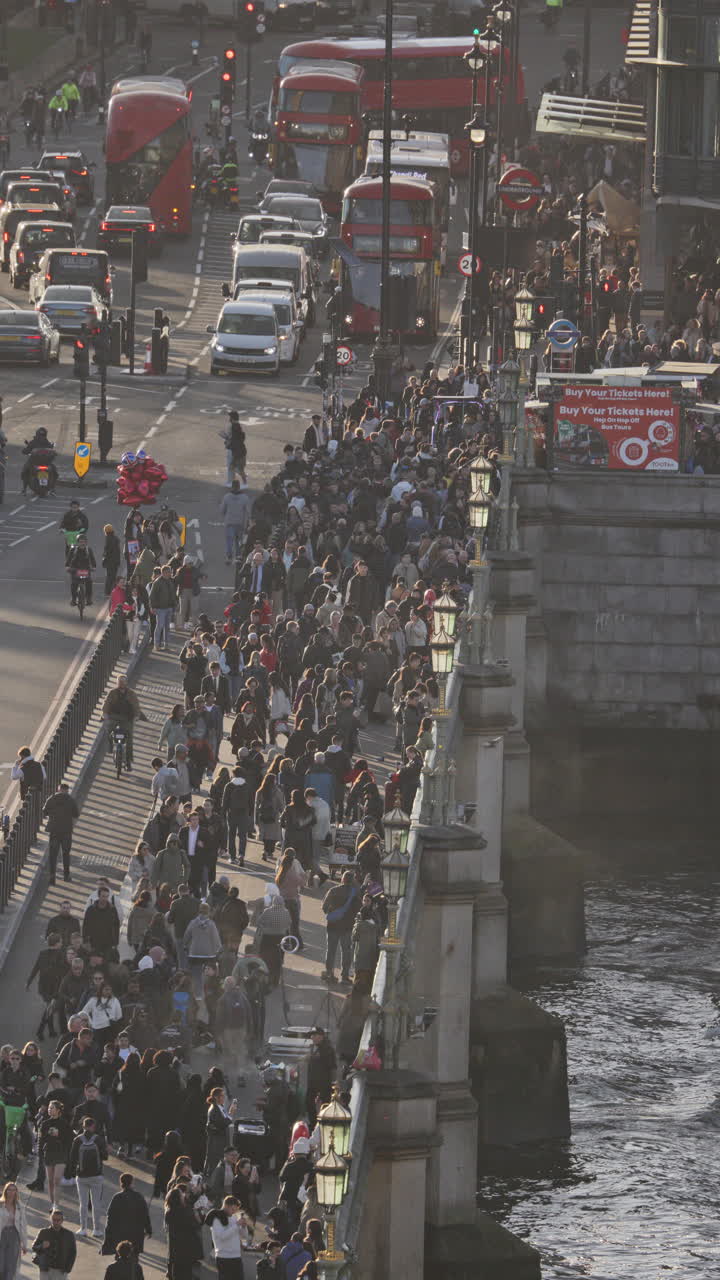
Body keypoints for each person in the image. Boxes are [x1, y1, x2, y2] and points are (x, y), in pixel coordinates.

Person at [67, 1115, 108, 1237]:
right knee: (96, 1204)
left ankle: (83, 1228)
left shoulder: (77, 1140)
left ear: (83, 1126)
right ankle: (96, 1230)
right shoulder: (99, 1140)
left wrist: (72, 1173)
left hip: (82, 1176)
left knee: (83, 1204)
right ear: (93, 1126)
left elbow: (72, 1159)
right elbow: (105, 1157)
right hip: (97, 1176)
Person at [100, 1173, 152, 1259]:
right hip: (135, 1235)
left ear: (121, 1183)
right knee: (134, 1260)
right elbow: (145, 1215)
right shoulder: (138, 1197)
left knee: (120, 1258)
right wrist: (148, 1229)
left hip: (120, 1236)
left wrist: (108, 1236)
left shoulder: (117, 1198)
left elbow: (110, 1218)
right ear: (132, 1183)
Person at [321, 871, 359, 984]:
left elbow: (324, 908)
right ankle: (345, 976)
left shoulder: (333, 890)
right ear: (352, 881)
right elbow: (358, 910)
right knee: (346, 951)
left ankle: (329, 973)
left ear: (342, 879)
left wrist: (333, 911)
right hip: (347, 926)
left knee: (331, 951)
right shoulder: (355, 893)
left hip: (333, 926)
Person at [102, 675, 148, 770]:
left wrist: (136, 716)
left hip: (127, 718)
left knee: (129, 739)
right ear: (117, 683)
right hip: (114, 717)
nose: (121, 684)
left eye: (123, 682)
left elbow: (136, 706)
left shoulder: (131, 694)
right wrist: (105, 714)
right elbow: (106, 704)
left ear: (126, 683)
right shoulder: (112, 693)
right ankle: (110, 747)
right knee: (108, 730)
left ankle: (128, 761)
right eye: (120, 682)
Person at [25, 932, 65, 1041]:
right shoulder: (60, 954)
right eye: (61, 941)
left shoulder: (42, 953)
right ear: (57, 943)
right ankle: (40, 1031)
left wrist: (29, 982)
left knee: (49, 1007)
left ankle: (51, 1031)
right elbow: (62, 972)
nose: (62, 943)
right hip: (54, 987)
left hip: (43, 987)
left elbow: (35, 968)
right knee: (50, 1008)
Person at [37, 1100, 72, 1210]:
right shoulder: (45, 1123)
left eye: (52, 1108)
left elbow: (69, 1139)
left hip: (61, 1154)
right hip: (49, 1153)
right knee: (50, 1181)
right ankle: (53, 1204)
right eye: (48, 1108)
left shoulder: (64, 1123)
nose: (49, 1109)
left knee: (57, 1179)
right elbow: (41, 1140)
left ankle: (56, 1205)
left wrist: (59, 1134)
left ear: (58, 1110)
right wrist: (40, 1152)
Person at [164, 1185, 204, 1280]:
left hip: (175, 1249)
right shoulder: (186, 1211)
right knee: (186, 1273)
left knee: (177, 1273)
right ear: (179, 1199)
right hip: (187, 1248)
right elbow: (196, 1225)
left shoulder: (169, 1212)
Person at [42, 783, 79, 885]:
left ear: (59, 789)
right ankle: (66, 876)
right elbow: (76, 814)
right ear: (67, 790)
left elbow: (44, 811)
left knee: (53, 855)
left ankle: (52, 877)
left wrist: (53, 815)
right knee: (66, 854)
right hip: (66, 831)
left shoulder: (52, 798)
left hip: (54, 830)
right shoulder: (70, 800)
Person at [205, 1196, 249, 1279]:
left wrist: (244, 1227)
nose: (234, 1212)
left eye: (236, 1210)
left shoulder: (235, 1217)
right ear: (226, 1206)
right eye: (232, 1209)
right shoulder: (216, 1218)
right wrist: (237, 1225)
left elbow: (244, 1236)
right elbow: (222, 1236)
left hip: (236, 1256)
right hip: (223, 1257)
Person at [31, 1208, 77, 1280]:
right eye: (53, 1220)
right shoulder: (43, 1232)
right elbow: (34, 1247)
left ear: (62, 1221)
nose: (55, 1222)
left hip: (61, 1271)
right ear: (50, 1219)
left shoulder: (69, 1235)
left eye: (58, 1220)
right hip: (45, 1269)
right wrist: (42, 1246)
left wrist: (68, 1269)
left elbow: (73, 1253)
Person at [305, 1028, 336, 1128]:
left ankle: (324, 1125)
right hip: (313, 1082)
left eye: (314, 1035)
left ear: (321, 1036)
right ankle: (314, 1124)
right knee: (309, 1102)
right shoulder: (315, 1047)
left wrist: (316, 1058)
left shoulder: (327, 1048)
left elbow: (332, 1065)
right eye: (311, 1035)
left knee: (325, 1104)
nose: (312, 1037)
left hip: (324, 1082)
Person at [221, 765, 251, 865]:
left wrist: (223, 815)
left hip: (231, 813)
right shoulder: (246, 785)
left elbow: (224, 802)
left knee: (231, 835)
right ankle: (241, 854)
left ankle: (232, 856)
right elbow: (251, 801)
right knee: (243, 835)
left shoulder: (229, 785)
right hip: (244, 813)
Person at [205, 1087, 237, 1177]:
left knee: (218, 1159)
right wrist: (231, 1114)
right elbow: (222, 1124)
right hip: (217, 1139)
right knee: (216, 1160)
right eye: (222, 1096)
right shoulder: (214, 1109)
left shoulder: (220, 1107)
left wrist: (230, 1113)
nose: (224, 1098)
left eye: (224, 1096)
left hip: (220, 1138)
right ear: (216, 1097)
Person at [0, 1181, 28, 1279]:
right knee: (1, 1263)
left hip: (14, 1235)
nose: (11, 1192)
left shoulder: (19, 1206)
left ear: (16, 1192)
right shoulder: (0, 1204)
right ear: (5, 1191)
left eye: (13, 1190)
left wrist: (24, 1244)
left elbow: (23, 1225)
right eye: (9, 1190)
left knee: (11, 1264)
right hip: (2, 1234)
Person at [220, 481, 251, 564]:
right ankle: (238, 556)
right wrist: (248, 522)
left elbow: (222, 510)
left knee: (229, 540)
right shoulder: (245, 497)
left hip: (229, 522)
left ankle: (229, 556)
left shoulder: (226, 497)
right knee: (238, 540)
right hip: (240, 523)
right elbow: (248, 512)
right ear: (239, 487)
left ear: (232, 487)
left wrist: (226, 515)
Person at [149, 565, 178, 650]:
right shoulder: (157, 582)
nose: (170, 573)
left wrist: (175, 604)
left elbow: (173, 594)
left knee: (167, 627)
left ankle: (166, 645)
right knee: (160, 626)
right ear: (164, 572)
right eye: (169, 572)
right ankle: (156, 645)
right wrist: (153, 607)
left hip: (169, 607)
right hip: (160, 608)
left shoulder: (170, 581)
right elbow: (152, 596)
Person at [66, 534, 96, 606]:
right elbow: (69, 559)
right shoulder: (73, 549)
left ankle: (88, 598)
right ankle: (73, 599)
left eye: (84, 542)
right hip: (75, 569)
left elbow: (92, 559)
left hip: (85, 569)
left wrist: (94, 567)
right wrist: (67, 566)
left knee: (89, 582)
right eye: (80, 542)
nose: (82, 543)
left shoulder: (88, 550)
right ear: (77, 542)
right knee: (74, 584)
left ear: (86, 542)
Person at [102, 526, 122, 596]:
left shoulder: (108, 539)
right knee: (113, 576)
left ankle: (107, 592)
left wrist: (104, 559)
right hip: (115, 561)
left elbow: (107, 551)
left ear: (106, 531)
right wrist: (118, 561)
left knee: (109, 576)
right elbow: (118, 551)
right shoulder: (116, 538)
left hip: (110, 561)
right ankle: (113, 591)